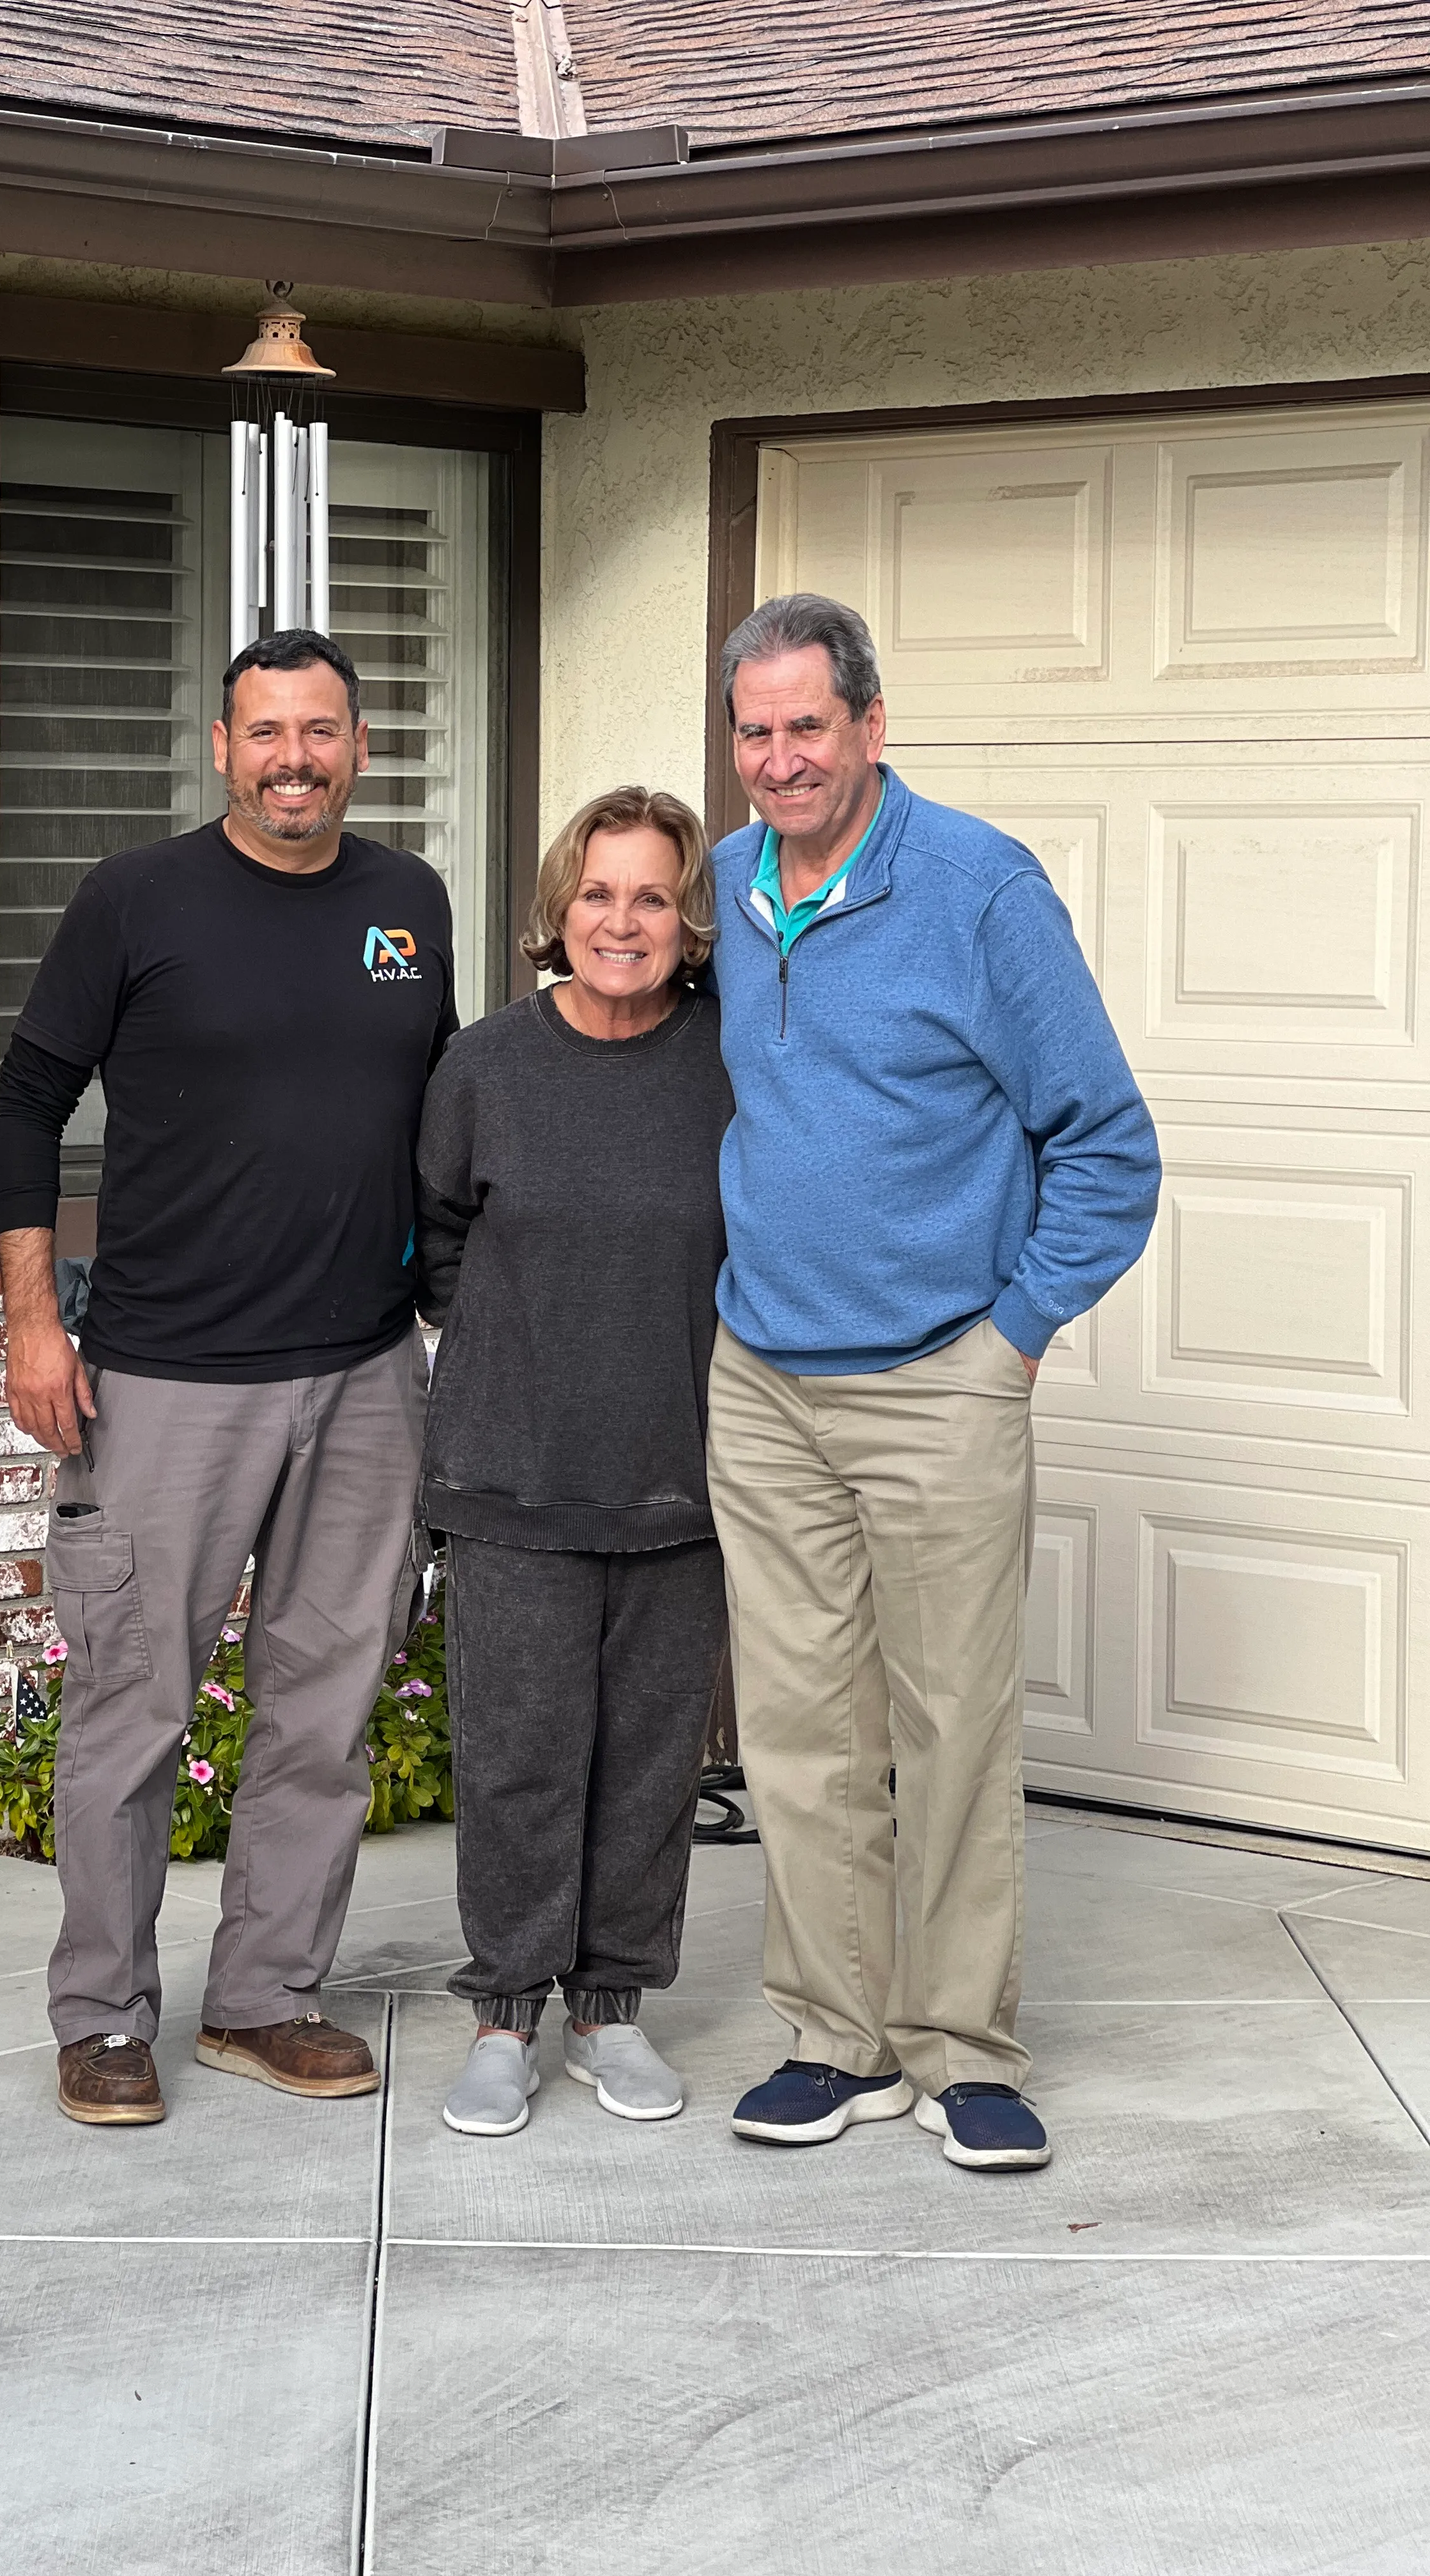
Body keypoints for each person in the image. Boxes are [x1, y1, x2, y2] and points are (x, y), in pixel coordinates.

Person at [706, 594, 1160, 2174]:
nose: (780, 759)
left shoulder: (979, 890)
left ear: (872, 725)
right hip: (763, 1378)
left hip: (937, 1379)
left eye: (807, 726)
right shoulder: (726, 885)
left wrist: (1012, 1335)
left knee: (954, 1725)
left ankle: (964, 2051)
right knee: (799, 1735)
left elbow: (1107, 1144)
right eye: (754, 731)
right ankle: (837, 2042)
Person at [0, 628, 456, 2126]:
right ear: (222, 748)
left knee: (324, 1714)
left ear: (360, 748)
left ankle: (264, 1998)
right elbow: (25, 1104)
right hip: (166, 1381)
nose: (293, 761)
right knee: (132, 1711)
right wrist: (33, 1322)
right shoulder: (137, 898)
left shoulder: (411, 903)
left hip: (364, 1375)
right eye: (266, 733)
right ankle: (103, 2018)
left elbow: (440, 1115)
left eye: (320, 733)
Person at [415, 786, 734, 2137]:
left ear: (690, 920)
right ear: (560, 908)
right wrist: (516, 1349)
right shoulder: (486, 1065)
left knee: (651, 1766)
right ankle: (504, 2017)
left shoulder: (731, 1061)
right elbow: (435, 1237)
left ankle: (612, 2010)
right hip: (513, 1472)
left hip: (683, 1474)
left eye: (653, 896)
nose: (622, 921)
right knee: (517, 1760)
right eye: (599, 894)